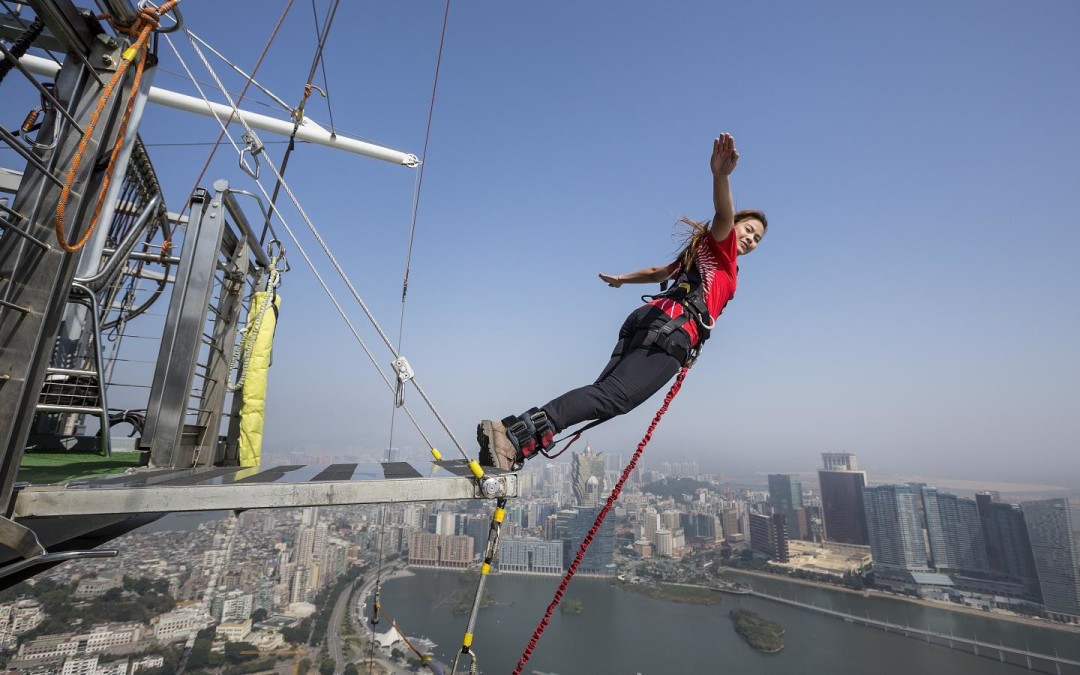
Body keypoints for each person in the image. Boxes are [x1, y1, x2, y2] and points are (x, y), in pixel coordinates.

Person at [478, 132, 767, 470]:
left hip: (648, 321)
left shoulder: (699, 252)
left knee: (604, 393)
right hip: (671, 332)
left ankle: (519, 442)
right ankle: (513, 435)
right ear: (734, 227)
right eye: (747, 229)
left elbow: (658, 271)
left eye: (757, 239)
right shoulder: (724, 254)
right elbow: (722, 215)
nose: (749, 239)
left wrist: (622, 279)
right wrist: (721, 177)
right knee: (615, 397)